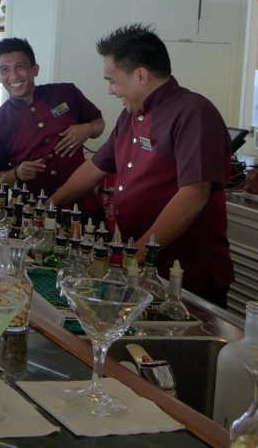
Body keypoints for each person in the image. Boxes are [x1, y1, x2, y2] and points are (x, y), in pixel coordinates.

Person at [50, 23, 234, 306]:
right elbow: (94, 168)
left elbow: (194, 193)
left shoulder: (193, 113)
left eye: (112, 81)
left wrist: (136, 254)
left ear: (140, 75)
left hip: (186, 273)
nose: (110, 91)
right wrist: (49, 206)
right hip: (143, 267)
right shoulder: (130, 116)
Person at [0, 37, 105, 216]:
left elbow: (99, 123)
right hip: (34, 212)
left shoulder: (66, 93)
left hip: (84, 207)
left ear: (35, 69)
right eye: (5, 69)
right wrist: (16, 173)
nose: (13, 76)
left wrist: (87, 129)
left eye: (20, 66)